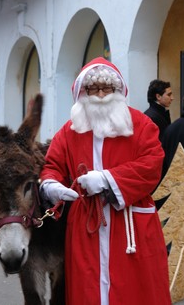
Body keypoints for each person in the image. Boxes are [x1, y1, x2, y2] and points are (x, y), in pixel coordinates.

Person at [39, 57, 171, 304]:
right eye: (93, 89)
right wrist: (52, 186)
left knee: (135, 288)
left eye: (107, 88)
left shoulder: (141, 125)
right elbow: (52, 166)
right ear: (82, 92)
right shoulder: (70, 131)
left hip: (131, 223)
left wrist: (107, 179)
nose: (100, 94)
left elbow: (153, 163)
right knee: (87, 286)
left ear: (118, 90)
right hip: (85, 223)